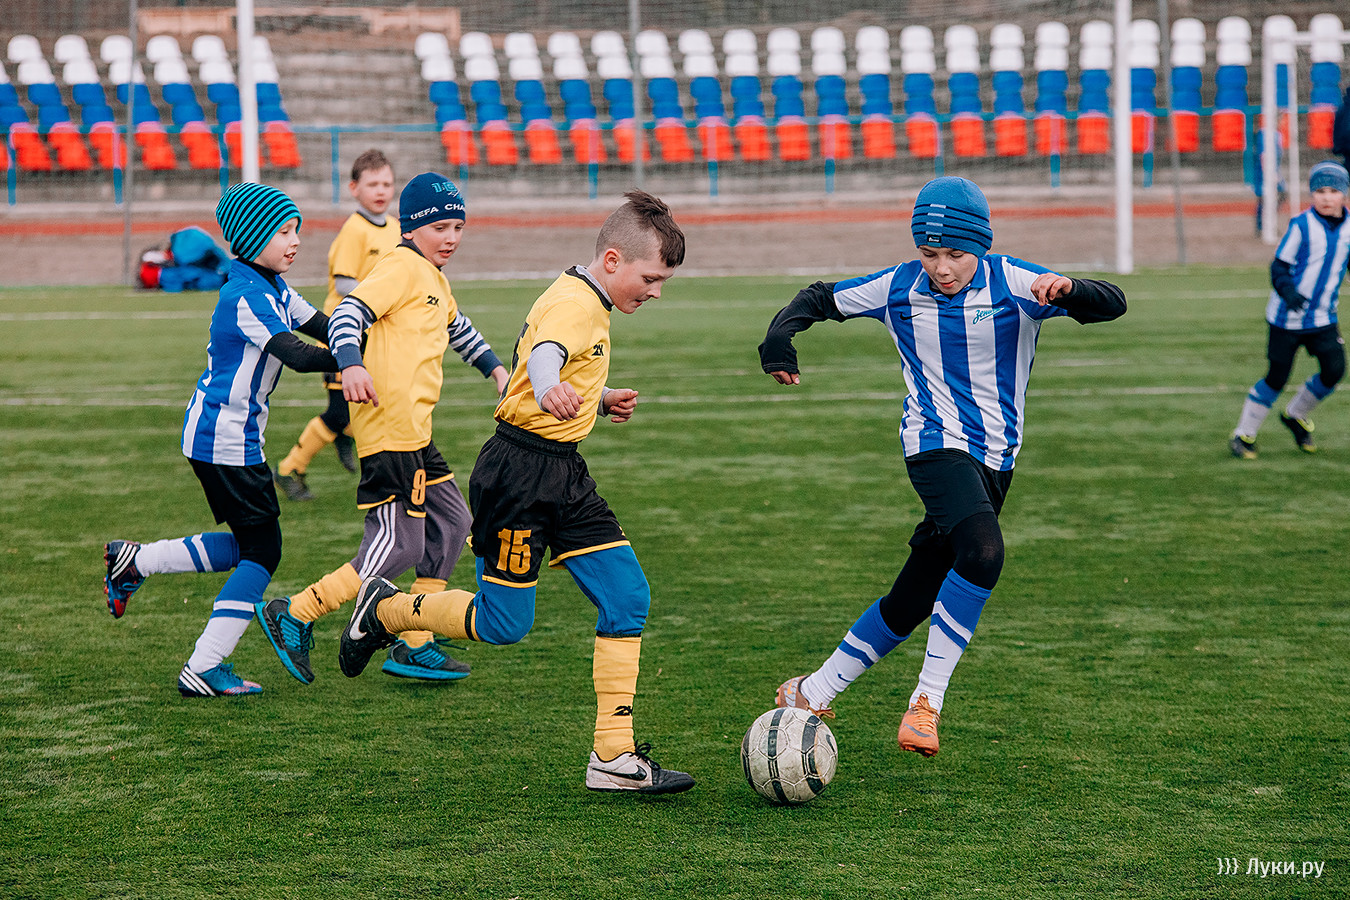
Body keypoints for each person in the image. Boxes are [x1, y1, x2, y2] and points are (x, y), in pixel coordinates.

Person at [335, 190, 695, 794]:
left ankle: (613, 756)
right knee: (504, 623)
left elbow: (545, 365)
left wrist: (596, 398)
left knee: (627, 595)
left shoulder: (587, 297)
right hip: (519, 475)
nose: (656, 292)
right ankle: (386, 610)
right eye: (651, 278)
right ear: (612, 260)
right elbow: (547, 358)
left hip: (564, 472)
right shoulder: (574, 304)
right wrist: (552, 387)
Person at [759, 176, 1126, 758]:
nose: (941, 268)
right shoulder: (899, 286)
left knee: (913, 596)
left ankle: (812, 689)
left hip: (996, 459)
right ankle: (925, 702)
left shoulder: (1015, 282)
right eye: (929, 253)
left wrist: (1071, 289)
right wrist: (780, 336)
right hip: (932, 443)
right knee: (983, 552)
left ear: (979, 245)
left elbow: (1112, 303)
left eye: (955, 254)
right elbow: (820, 299)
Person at [254, 172, 508, 685]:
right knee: (400, 545)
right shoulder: (400, 266)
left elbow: (458, 328)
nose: (451, 238)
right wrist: (350, 363)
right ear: (410, 228)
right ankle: (296, 611)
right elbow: (348, 312)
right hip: (388, 427)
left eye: (458, 227)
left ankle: (414, 641)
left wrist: (498, 371)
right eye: (440, 227)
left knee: (452, 524)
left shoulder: (433, 278)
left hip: (416, 431)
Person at [103, 183, 339, 697]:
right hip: (223, 439)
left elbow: (322, 325)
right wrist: (358, 360)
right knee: (263, 551)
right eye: (283, 231)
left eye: (296, 229)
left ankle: (135, 561)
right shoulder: (245, 294)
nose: (296, 240)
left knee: (247, 547)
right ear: (253, 239)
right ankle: (204, 665)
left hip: (226, 436)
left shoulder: (272, 285)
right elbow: (298, 353)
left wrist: (365, 330)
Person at [274, 149, 398, 501]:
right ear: (354, 188)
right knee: (340, 411)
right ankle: (289, 467)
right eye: (372, 184)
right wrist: (382, 298)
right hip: (341, 334)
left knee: (373, 403)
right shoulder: (353, 231)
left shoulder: (395, 228)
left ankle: (348, 439)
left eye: (387, 183)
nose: (381, 190)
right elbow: (344, 283)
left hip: (373, 335)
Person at [1230, 160, 1350, 459]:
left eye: (1333, 191)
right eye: (1320, 191)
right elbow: (1279, 267)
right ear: (1312, 194)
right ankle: (1243, 434)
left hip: (1323, 317)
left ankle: (1295, 414)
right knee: (1277, 377)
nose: (1326, 197)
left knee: (1334, 370)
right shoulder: (1302, 226)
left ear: (1344, 194)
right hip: (1286, 319)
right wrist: (1289, 292)